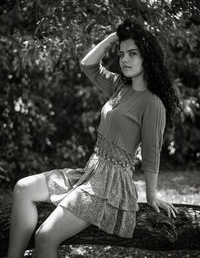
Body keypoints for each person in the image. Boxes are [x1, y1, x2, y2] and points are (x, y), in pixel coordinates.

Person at [7, 19, 180, 258]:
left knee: (44, 237)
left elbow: (152, 154)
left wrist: (151, 197)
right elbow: (88, 65)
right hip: (90, 172)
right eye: (121, 54)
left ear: (147, 57)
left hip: (109, 186)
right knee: (22, 188)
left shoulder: (153, 104)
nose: (125, 60)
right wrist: (113, 38)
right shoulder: (120, 86)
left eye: (133, 53)